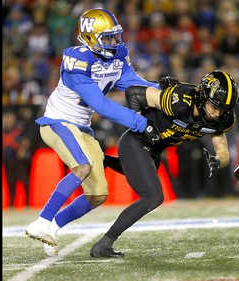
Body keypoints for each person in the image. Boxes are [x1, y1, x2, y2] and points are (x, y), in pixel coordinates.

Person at [25, 8, 162, 256]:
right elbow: (99, 104)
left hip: (82, 128)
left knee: (97, 195)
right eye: (107, 38)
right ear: (89, 37)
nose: (114, 42)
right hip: (58, 122)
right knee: (82, 167)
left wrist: (163, 91)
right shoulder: (77, 59)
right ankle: (42, 221)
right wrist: (138, 122)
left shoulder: (118, 55)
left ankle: (52, 229)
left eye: (114, 36)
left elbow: (133, 83)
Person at [90, 69, 239, 258]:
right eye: (214, 107)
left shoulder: (220, 118)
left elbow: (222, 150)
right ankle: (104, 244)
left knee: (138, 174)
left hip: (154, 149)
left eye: (223, 110)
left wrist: (219, 161)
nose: (218, 114)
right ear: (202, 97)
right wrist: (140, 125)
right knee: (153, 197)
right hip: (136, 142)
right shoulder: (181, 100)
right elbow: (133, 93)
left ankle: (103, 160)